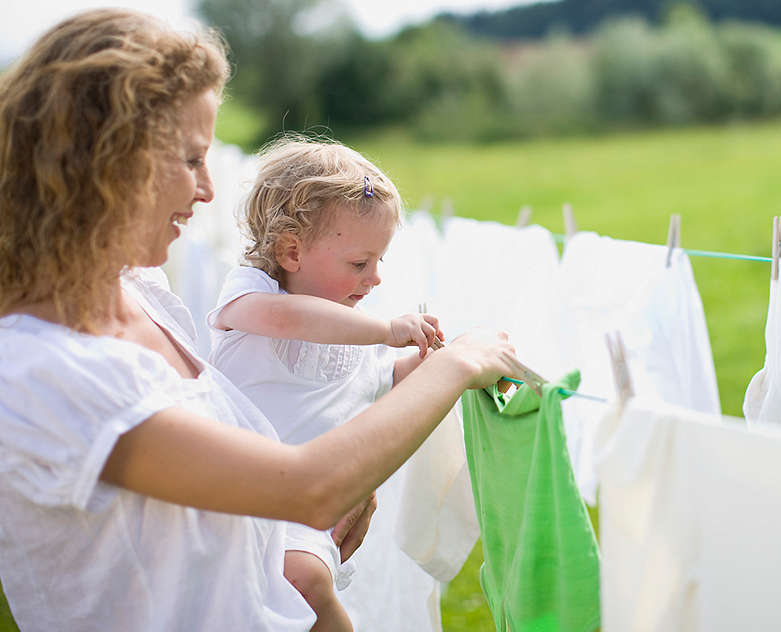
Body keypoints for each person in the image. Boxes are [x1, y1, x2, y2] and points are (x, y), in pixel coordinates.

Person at [0, 9, 517, 632]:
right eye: (191, 160)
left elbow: (242, 489)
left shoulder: (138, 292)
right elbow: (305, 487)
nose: (209, 190)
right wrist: (459, 363)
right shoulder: (36, 371)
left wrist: (336, 492)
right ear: (110, 164)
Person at [206, 137, 446, 630]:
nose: (375, 278)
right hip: (230, 494)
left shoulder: (355, 332)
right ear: (291, 251)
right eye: (360, 263)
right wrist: (386, 330)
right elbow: (288, 320)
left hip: (305, 511)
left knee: (304, 581)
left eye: (379, 261)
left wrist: (436, 362)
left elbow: (391, 383)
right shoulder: (252, 295)